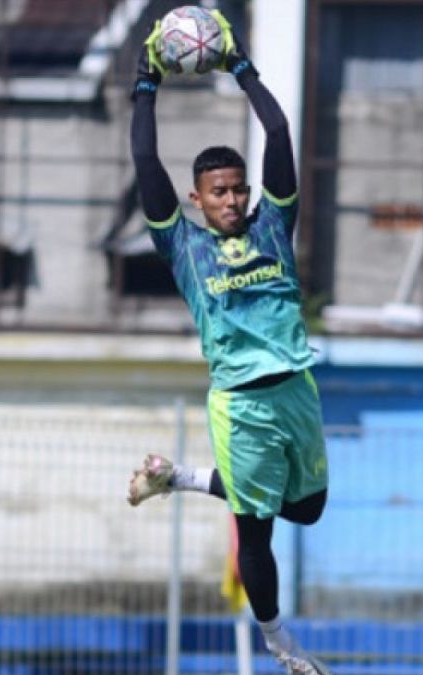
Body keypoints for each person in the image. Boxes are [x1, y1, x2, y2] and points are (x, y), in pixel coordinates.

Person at [125, 13, 331, 675]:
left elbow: (277, 130)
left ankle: (177, 477)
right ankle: (281, 646)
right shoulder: (183, 245)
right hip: (241, 404)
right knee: (259, 528)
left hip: (296, 386)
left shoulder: (274, 225)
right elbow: (143, 161)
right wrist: (145, 83)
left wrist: (240, 66)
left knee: (310, 509)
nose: (234, 198)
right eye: (220, 191)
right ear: (198, 198)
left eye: (240, 187)